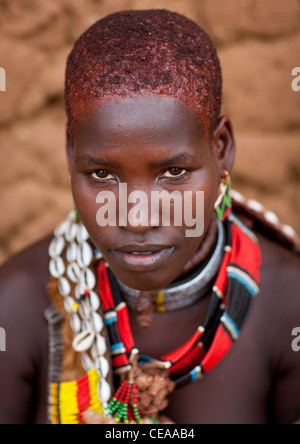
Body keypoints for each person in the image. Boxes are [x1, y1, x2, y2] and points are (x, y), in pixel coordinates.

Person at [0, 9, 300, 425]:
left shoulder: (288, 306)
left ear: (221, 148)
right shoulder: (16, 305)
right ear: (71, 154)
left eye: (173, 172)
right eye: (102, 175)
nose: (137, 219)